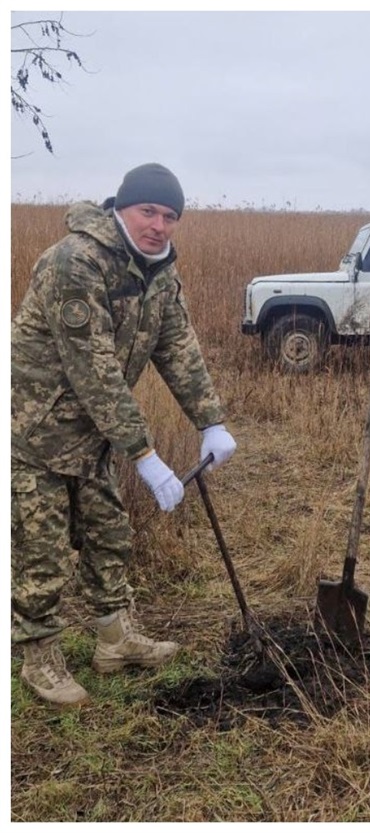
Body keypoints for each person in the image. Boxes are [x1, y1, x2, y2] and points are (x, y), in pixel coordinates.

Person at [11, 163, 237, 706]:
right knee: (40, 552)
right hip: (36, 431)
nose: (159, 225)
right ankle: (39, 658)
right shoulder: (75, 262)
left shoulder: (159, 272)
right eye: (148, 211)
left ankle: (114, 641)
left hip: (95, 436)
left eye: (170, 216)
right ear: (121, 208)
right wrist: (145, 454)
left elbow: (177, 347)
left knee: (109, 536)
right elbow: (93, 369)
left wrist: (211, 420)